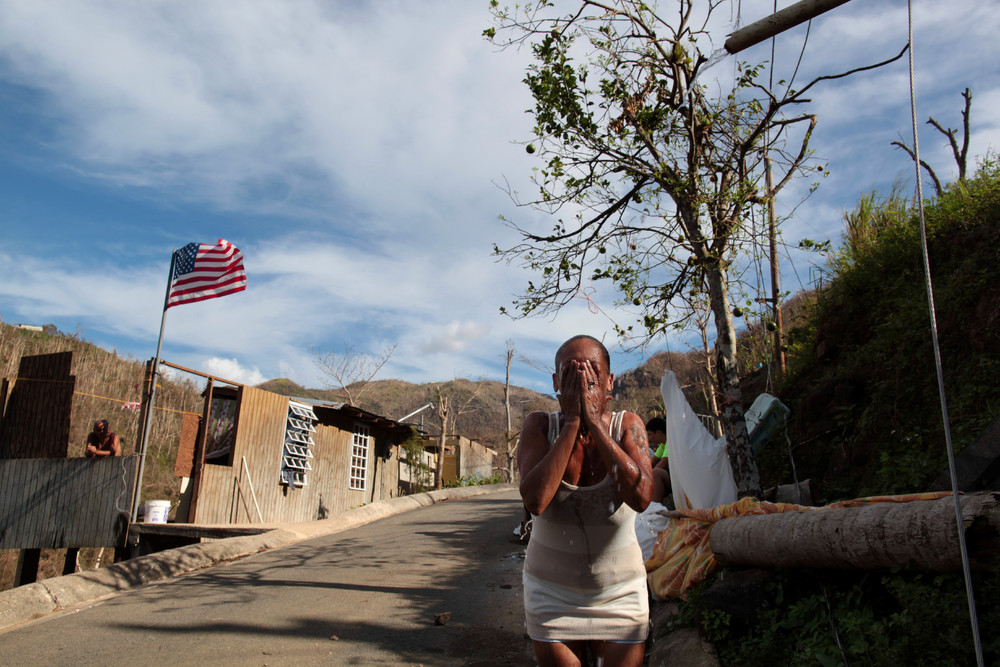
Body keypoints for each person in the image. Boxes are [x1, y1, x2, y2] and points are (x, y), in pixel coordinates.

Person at [518, 335, 653, 667]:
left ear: (609, 381)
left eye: (592, 369)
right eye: (570, 371)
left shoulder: (628, 426)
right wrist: (573, 424)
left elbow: (641, 497)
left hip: (621, 593)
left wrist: (595, 423)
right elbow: (535, 500)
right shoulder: (539, 425)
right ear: (556, 383)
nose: (582, 379)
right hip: (551, 593)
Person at [646, 417, 673, 505]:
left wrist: (646, 478)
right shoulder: (663, 444)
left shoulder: (671, 441)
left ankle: (654, 509)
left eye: (650, 434)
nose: (649, 438)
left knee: (656, 473)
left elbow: (663, 463)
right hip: (672, 477)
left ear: (658, 432)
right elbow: (653, 461)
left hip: (679, 478)